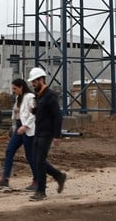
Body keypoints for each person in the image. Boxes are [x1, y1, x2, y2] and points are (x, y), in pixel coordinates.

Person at [28, 66, 67, 201]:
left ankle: (41, 191)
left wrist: (57, 135)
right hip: (38, 132)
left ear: (41, 80)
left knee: (39, 161)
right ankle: (58, 176)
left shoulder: (50, 95)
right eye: (32, 82)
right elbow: (42, 112)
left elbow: (57, 116)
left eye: (34, 81)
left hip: (47, 133)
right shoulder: (40, 96)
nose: (33, 84)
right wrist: (34, 110)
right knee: (38, 161)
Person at [0, 78, 36, 190]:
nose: (13, 91)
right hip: (18, 128)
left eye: (15, 88)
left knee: (30, 156)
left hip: (27, 128)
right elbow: (15, 115)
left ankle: (37, 180)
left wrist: (25, 126)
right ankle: (5, 179)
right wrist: (14, 128)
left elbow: (33, 114)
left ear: (21, 87)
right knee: (9, 150)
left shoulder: (30, 97)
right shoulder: (18, 98)